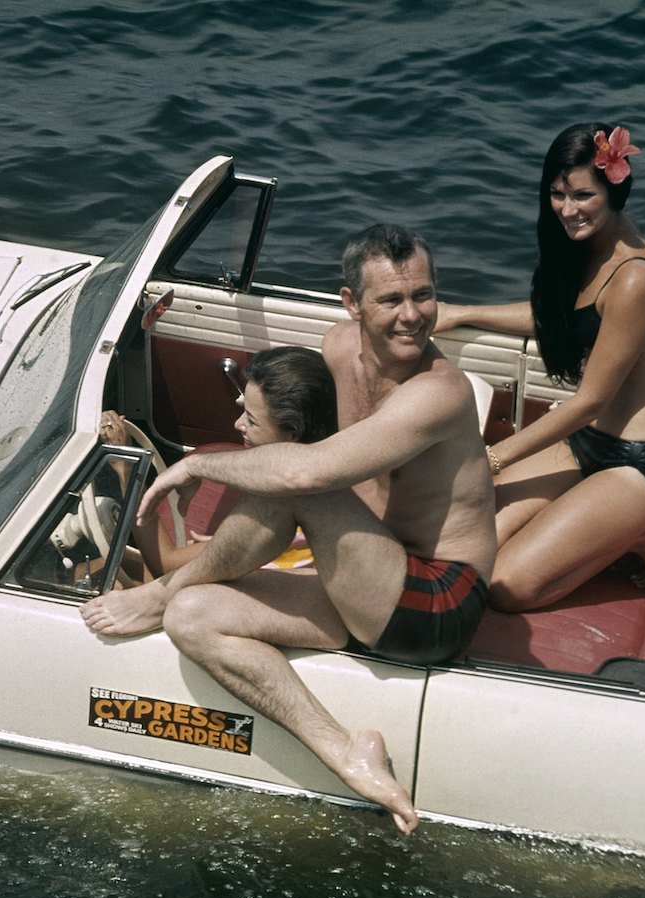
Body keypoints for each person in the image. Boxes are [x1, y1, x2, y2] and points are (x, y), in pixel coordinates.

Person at [81, 224, 497, 834]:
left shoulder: (442, 392)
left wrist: (197, 464)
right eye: (391, 300)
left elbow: (309, 476)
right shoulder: (337, 351)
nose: (413, 316)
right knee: (192, 617)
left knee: (299, 486)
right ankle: (342, 751)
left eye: (424, 296)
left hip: (436, 604)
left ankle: (160, 589)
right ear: (351, 304)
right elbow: (327, 460)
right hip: (371, 578)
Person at [436, 122, 645, 612]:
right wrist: (464, 313)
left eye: (583, 196)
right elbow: (564, 319)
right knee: (460, 542)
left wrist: (493, 458)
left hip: (638, 461)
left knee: (506, 588)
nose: (568, 211)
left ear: (615, 189)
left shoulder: (635, 279)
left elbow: (592, 399)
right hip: (583, 443)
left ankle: (643, 531)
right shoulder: (584, 249)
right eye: (557, 194)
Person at [98, 345, 337, 580]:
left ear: (292, 434)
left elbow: (165, 564)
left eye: (252, 422)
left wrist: (126, 469)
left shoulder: (276, 507)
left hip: (249, 599)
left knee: (101, 574)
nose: (238, 424)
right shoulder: (333, 464)